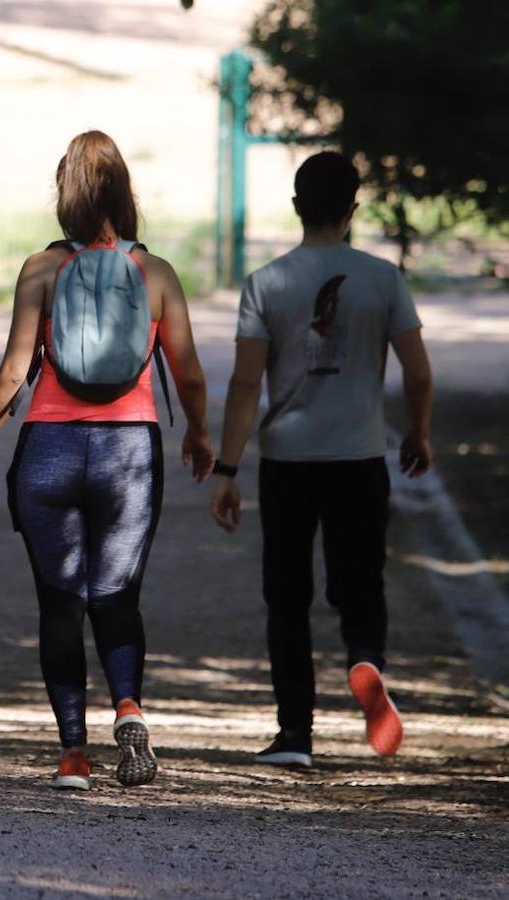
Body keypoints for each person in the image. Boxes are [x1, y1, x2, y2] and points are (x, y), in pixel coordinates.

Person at [0, 131, 213, 790]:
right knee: (116, 595)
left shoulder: (41, 270)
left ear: (64, 195)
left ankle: (72, 753)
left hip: (48, 447)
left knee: (59, 603)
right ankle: (128, 707)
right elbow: (186, 372)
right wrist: (198, 434)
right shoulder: (154, 273)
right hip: (128, 451)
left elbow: (16, 368)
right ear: (123, 193)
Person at [209, 151, 433, 768]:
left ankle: (296, 737)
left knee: (287, 597)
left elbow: (246, 386)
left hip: (287, 460)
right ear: (353, 209)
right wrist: (418, 433)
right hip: (359, 455)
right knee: (360, 582)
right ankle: (365, 658)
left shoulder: (266, 281)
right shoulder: (383, 278)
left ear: (296, 208)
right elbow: (418, 371)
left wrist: (227, 471)